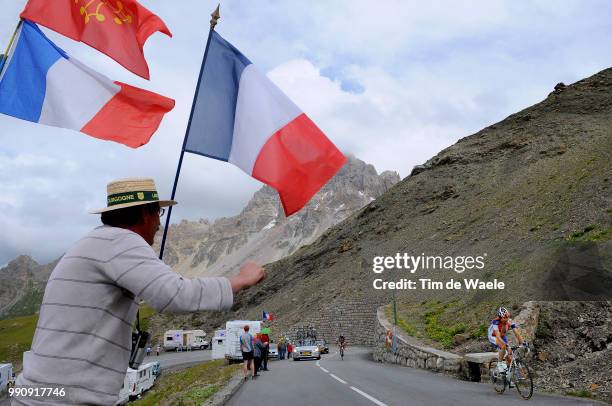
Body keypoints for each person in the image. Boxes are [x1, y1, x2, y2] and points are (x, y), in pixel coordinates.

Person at [13, 178, 265, 405]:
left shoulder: (97, 241)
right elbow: (176, 295)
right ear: (145, 213)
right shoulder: (120, 241)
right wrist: (241, 280)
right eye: (159, 213)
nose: (159, 224)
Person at [488, 306, 527, 385]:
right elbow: (498, 337)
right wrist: (507, 346)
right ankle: (499, 364)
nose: (506, 319)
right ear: (500, 317)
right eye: (504, 318)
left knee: (509, 357)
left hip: (502, 335)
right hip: (493, 336)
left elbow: (517, 334)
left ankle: (508, 376)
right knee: (503, 346)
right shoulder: (495, 322)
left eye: (507, 317)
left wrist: (522, 343)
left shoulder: (509, 321)